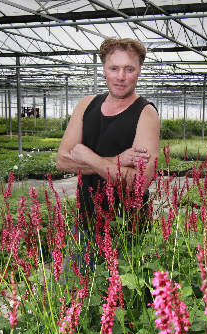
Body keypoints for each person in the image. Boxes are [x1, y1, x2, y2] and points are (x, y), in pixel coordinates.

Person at [56, 37, 160, 232]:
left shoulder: (146, 113)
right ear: (104, 70)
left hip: (128, 228)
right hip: (86, 221)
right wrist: (117, 160)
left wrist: (87, 156)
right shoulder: (85, 105)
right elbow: (62, 161)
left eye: (129, 69)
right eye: (114, 68)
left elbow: (140, 184)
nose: (121, 76)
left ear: (139, 71)